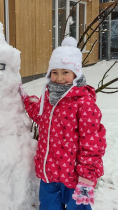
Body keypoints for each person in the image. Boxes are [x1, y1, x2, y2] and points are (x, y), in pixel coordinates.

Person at [19, 36, 106, 210]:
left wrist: (87, 177)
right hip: (49, 173)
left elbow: (93, 143)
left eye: (65, 72)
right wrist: (25, 99)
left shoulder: (84, 103)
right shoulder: (50, 98)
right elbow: (41, 117)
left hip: (75, 177)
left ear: (76, 73)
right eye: (55, 72)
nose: (59, 77)